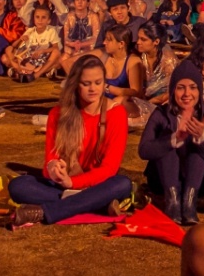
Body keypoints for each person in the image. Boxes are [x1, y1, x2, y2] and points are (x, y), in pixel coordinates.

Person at [7, 54, 133, 225]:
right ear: (75, 84)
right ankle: (96, 204)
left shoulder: (116, 114)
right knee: (19, 186)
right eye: (86, 84)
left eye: (98, 83)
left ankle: (46, 212)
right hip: (65, 186)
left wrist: (73, 182)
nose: (93, 89)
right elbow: (49, 163)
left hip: (98, 183)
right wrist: (53, 170)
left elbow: (109, 168)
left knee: (122, 184)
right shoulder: (58, 114)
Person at [138, 61, 204, 225]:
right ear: (172, 91)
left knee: (197, 146)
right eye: (181, 87)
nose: (187, 93)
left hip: (202, 184)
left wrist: (202, 137)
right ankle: (173, 203)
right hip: (165, 181)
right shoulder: (161, 114)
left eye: (193, 87)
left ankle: (189, 203)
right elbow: (144, 150)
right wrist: (174, 139)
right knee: (166, 141)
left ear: (199, 91)